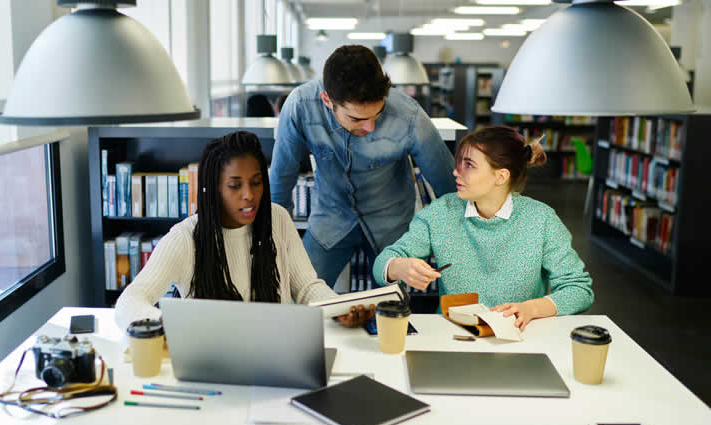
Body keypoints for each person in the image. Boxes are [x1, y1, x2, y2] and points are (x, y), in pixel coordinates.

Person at [115, 131, 373, 332]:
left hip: (276, 354)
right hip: (212, 362)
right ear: (214, 188)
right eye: (234, 186)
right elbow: (130, 301)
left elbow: (306, 287)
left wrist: (339, 308)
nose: (249, 195)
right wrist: (167, 327)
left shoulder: (278, 219)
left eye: (257, 182)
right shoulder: (185, 237)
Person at [269, 45, 456, 289]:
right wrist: (275, 236)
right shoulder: (300, 106)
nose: (370, 127)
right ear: (327, 100)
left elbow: (447, 183)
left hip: (392, 224)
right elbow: (282, 176)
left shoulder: (409, 115)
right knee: (298, 295)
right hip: (329, 218)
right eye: (357, 118)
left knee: (390, 310)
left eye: (377, 115)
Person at [373, 126, 594, 331]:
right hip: (454, 336)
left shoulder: (541, 220)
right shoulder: (441, 212)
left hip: (520, 338)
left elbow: (579, 289)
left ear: (500, 176)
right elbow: (382, 264)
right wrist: (399, 267)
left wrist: (532, 309)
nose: (456, 172)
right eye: (459, 163)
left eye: (468, 165)